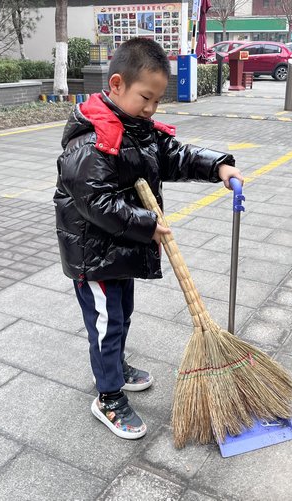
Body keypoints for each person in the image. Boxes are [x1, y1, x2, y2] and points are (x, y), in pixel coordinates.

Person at [53, 38, 243, 440]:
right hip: (94, 255)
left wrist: (219, 167)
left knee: (122, 314)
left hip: (119, 248)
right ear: (117, 84)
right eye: (146, 97)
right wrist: (145, 224)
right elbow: (96, 203)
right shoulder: (90, 141)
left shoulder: (137, 128)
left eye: (158, 100)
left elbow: (174, 155)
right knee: (107, 323)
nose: (152, 108)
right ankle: (107, 396)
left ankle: (116, 366)